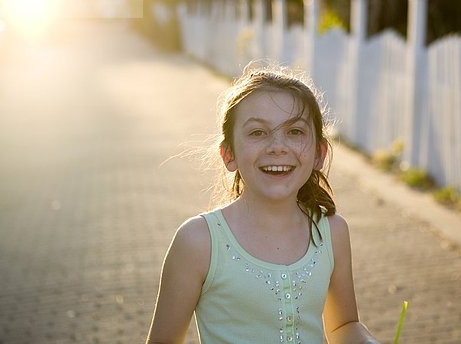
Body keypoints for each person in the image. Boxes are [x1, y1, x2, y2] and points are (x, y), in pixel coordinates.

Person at [146, 62, 379, 344]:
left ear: (319, 153)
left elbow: (343, 325)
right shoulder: (199, 241)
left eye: (295, 132)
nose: (277, 146)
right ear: (229, 154)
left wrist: (368, 342)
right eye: (258, 132)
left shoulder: (332, 232)